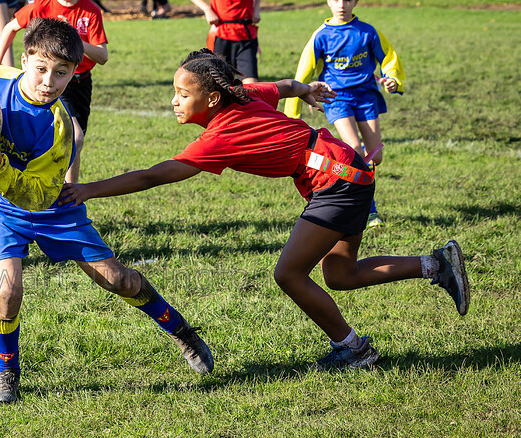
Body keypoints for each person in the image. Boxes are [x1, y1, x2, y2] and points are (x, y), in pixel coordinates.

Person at [59, 48, 469, 371]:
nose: (174, 100)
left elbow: (152, 176)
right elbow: (283, 86)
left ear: (213, 98)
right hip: (345, 171)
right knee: (340, 274)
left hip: (337, 181)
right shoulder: (241, 95)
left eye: (184, 94)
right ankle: (435, 265)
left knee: (289, 273)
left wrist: (87, 190)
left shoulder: (219, 137)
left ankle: (353, 350)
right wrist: (305, 89)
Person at [0, 18, 213, 404]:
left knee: (118, 280)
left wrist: (3, 168)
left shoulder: (62, 128)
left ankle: (180, 331)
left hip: (50, 207)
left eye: (61, 74)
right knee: (7, 289)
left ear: (74, 73)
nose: (49, 81)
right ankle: (6, 370)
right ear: (26, 59)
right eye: (41, 69)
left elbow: (41, 195)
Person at [285, 0, 405, 228]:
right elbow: (302, 73)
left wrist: (392, 79)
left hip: (366, 97)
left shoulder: (367, 32)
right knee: (355, 150)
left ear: (356, 2)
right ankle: (369, 210)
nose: (342, 5)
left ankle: (364, 198)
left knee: (375, 156)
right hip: (337, 99)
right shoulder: (321, 35)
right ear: (327, 0)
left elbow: (388, 57)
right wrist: (292, 112)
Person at [0, 0, 107, 183]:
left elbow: (103, 56)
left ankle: (61, 190)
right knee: (73, 137)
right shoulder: (42, 7)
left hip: (78, 84)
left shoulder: (91, 11)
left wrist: (74, 37)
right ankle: (69, 193)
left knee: (73, 139)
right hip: (47, 80)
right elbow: (8, 29)